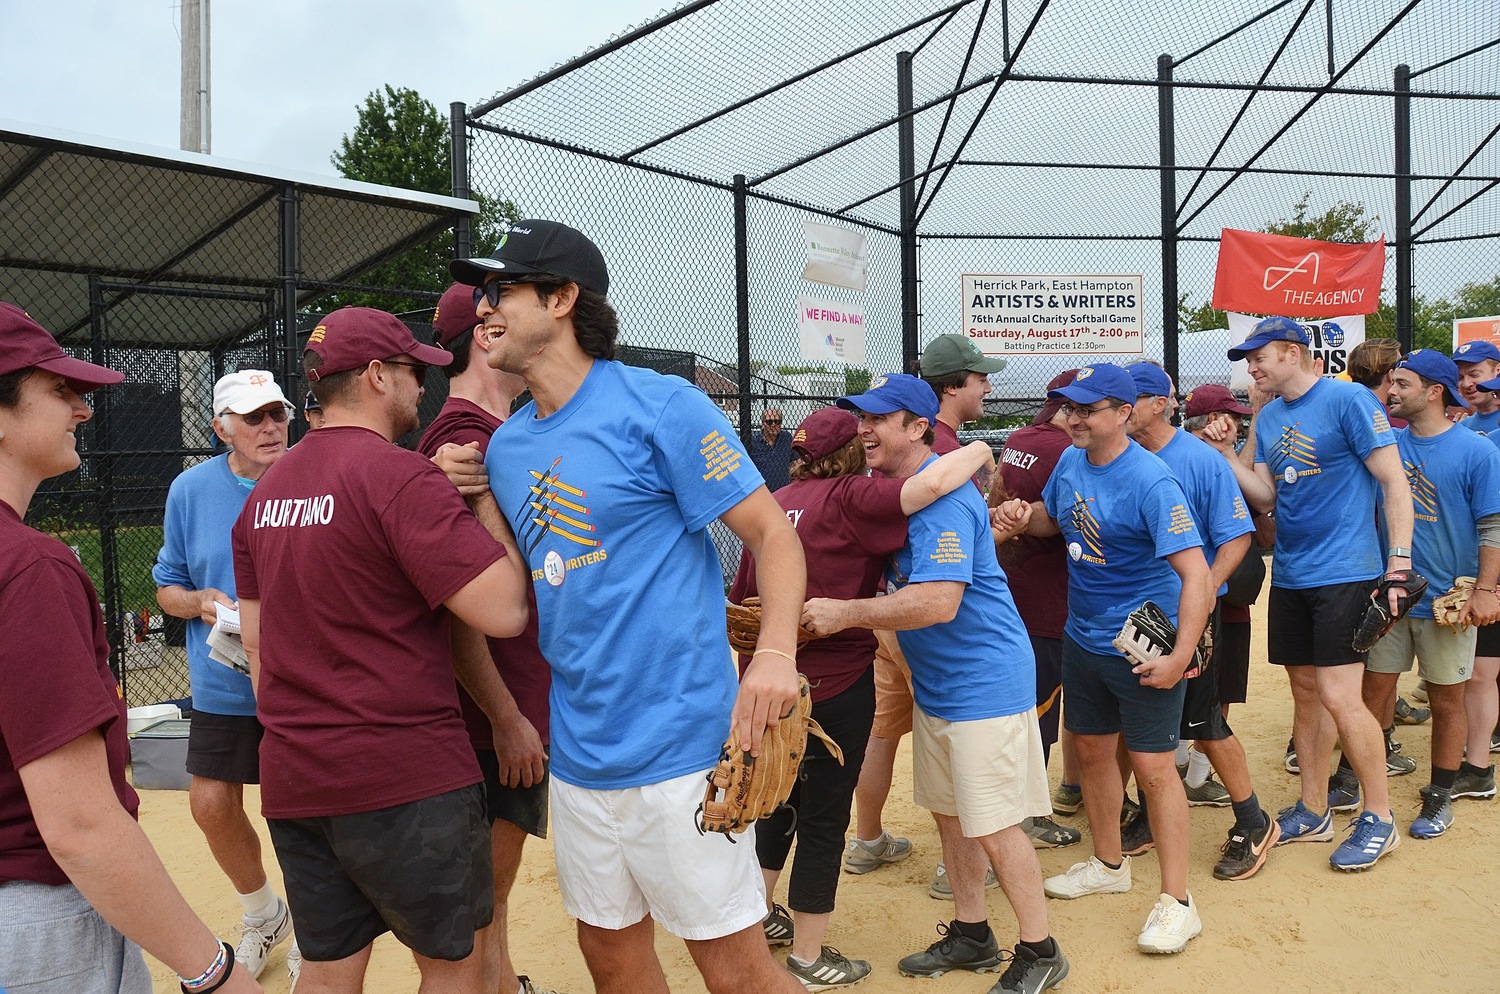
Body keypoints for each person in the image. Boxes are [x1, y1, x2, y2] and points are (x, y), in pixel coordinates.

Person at [451, 219, 809, 994]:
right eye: (481, 292)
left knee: (735, 970)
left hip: (681, 747)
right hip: (582, 753)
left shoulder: (661, 406)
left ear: (561, 298)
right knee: (610, 959)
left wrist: (774, 654)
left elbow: (772, 536)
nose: (482, 307)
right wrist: (473, 498)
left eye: (501, 289)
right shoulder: (509, 448)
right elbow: (515, 600)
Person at [231, 306, 533, 993]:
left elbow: (255, 640)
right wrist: (483, 502)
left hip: (297, 775)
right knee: (453, 967)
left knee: (331, 969)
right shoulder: (402, 478)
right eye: (409, 373)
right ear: (375, 376)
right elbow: (506, 610)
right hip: (405, 774)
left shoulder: (265, 492)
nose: (421, 388)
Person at [0, 301, 263, 994]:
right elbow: (80, 826)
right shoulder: (30, 567)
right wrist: (213, 972)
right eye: (60, 392)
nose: (83, 411)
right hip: (35, 922)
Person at [803, 374, 1069, 994]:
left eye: (880, 419)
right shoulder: (894, 493)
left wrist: (847, 613)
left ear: (918, 426)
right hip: (940, 684)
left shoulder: (944, 501)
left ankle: (1040, 948)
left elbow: (940, 602)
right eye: (862, 419)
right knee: (951, 816)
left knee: (995, 824)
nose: (865, 429)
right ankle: (973, 933)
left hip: (986, 681)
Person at [731, 405, 996, 989]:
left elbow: (743, 599)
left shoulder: (773, 502)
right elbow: (927, 487)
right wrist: (978, 451)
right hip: (836, 686)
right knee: (825, 821)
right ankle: (807, 956)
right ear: (847, 453)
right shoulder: (851, 494)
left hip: (770, 681)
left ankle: (758, 919)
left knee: (772, 806)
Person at [998, 363, 1212, 953]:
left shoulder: (1152, 481)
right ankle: (1109, 865)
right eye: (1069, 407)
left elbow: (1195, 574)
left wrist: (1180, 656)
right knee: (1090, 751)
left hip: (1141, 647)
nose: (1073, 418)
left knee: (1154, 769)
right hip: (1083, 636)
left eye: (1088, 409)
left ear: (1123, 414)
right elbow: (1055, 520)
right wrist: (1023, 519)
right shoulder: (1070, 461)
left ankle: (1178, 902)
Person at [1206, 316, 1414, 872]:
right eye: (1247, 357)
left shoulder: (1349, 401)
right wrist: (1228, 458)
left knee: (1341, 694)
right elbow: (1268, 495)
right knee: (1305, 691)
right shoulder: (1271, 415)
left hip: (1347, 570)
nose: (1250, 365)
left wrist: (1398, 563)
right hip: (1294, 573)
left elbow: (1394, 481)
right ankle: (1315, 808)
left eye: (1259, 355)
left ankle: (1379, 816)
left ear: (1292, 353)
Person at [415, 283, 560, 994]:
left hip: (517, 696)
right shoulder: (462, 439)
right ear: (483, 331)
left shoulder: (505, 425)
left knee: (491, 899)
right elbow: (458, 610)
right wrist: (505, 717)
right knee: (481, 901)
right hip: (491, 711)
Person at [153, 370, 297, 980]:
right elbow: (167, 588)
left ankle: (319, 940)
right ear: (221, 429)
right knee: (211, 804)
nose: (270, 427)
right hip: (223, 684)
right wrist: (202, 602)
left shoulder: (309, 479)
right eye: (253, 417)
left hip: (299, 683)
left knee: (300, 814)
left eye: (277, 414)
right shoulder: (189, 490)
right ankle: (265, 915)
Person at [1120, 363, 1276, 881]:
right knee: (1143, 722)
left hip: (1189, 620)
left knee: (1201, 723)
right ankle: (1147, 815)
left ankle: (1253, 820)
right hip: (1138, 618)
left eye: (1133, 397)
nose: (1122, 405)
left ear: (1159, 403)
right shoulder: (1118, 456)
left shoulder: (1198, 460)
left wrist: (1204, 588)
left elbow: (1237, 536)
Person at [1365, 350, 1500, 838]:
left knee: (1447, 699)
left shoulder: (1478, 450)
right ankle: (1363, 778)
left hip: (1447, 598)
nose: (1392, 391)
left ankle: (1441, 792)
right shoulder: (1388, 445)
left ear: (1434, 391)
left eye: (1402, 383)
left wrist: (1485, 591)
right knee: (1374, 688)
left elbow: (1493, 525)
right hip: (1391, 595)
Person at [990, 370, 1081, 816]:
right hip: (1047, 597)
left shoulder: (1022, 436)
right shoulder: (1063, 450)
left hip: (1015, 586)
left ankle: (1067, 787)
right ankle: (1025, 815)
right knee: (1041, 711)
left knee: (1032, 704)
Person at [1453, 340, 1500, 436]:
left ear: (1497, 370)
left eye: (1474, 375)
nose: (1466, 384)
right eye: (1460, 377)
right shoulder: (1463, 427)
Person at [749, 407, 793, 491]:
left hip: (783, 491)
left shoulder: (787, 438)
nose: (773, 425)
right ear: (763, 424)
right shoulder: (753, 442)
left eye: (777, 422)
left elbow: (796, 462)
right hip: (762, 491)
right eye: (769, 422)